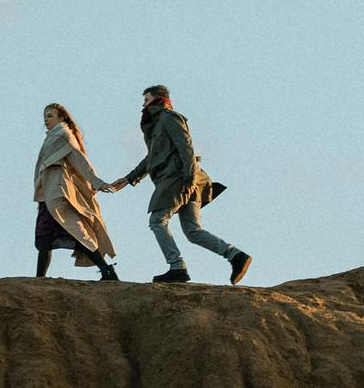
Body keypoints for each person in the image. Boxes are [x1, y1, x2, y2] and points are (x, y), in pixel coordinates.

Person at [107, 84, 250, 285]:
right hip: (184, 181)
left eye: (146, 101)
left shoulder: (168, 117)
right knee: (193, 231)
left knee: (158, 220)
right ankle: (236, 256)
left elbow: (187, 149)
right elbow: (153, 157)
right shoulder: (157, 125)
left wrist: (190, 180)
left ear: (158, 100)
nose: (143, 106)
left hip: (179, 180)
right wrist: (129, 178)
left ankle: (177, 267)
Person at [32, 103, 119, 280]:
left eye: (50, 116)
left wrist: (97, 182)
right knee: (47, 235)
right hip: (48, 192)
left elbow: (80, 161)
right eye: (45, 116)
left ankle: (106, 270)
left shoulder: (63, 136)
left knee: (72, 231)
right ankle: (39, 279)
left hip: (58, 191)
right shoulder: (52, 137)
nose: (46, 119)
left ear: (61, 118)